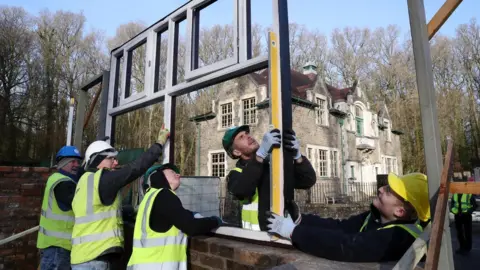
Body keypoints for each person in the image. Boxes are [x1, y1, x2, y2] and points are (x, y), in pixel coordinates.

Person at [266, 172, 431, 262]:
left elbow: (346, 246)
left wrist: (294, 232)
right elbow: (341, 227)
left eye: (388, 191)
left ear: (400, 212)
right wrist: (301, 220)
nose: (380, 189)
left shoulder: (399, 237)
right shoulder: (375, 217)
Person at [70, 125, 170, 269]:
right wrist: (159, 143)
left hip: (82, 257)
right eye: (111, 159)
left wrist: (129, 211)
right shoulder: (103, 180)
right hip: (94, 259)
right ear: (98, 160)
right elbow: (135, 168)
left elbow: (98, 211)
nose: (116, 162)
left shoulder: (84, 182)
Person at [127, 163, 222, 269]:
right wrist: (215, 220)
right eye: (172, 172)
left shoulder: (150, 196)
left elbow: (170, 214)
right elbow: (191, 227)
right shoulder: (165, 195)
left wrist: (190, 214)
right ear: (159, 175)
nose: (178, 175)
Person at [222, 125, 316, 231]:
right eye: (241, 137)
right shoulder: (235, 174)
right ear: (237, 152)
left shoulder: (272, 166)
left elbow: (308, 180)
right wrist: (260, 155)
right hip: (258, 238)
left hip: (287, 231)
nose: (248, 136)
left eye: (247, 133)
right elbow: (243, 190)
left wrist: (298, 157)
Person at [37, 145, 82, 269]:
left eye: (78, 162)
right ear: (63, 163)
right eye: (72, 161)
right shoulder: (63, 183)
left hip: (54, 246)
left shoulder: (56, 179)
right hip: (58, 248)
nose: (76, 165)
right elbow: (81, 204)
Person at [450, 177, 477, 255]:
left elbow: (474, 205)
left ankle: (467, 248)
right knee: (459, 233)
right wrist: (453, 210)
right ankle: (462, 247)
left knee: (467, 232)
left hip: (466, 216)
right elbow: (452, 204)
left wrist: (469, 211)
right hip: (458, 216)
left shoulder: (468, 194)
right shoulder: (455, 194)